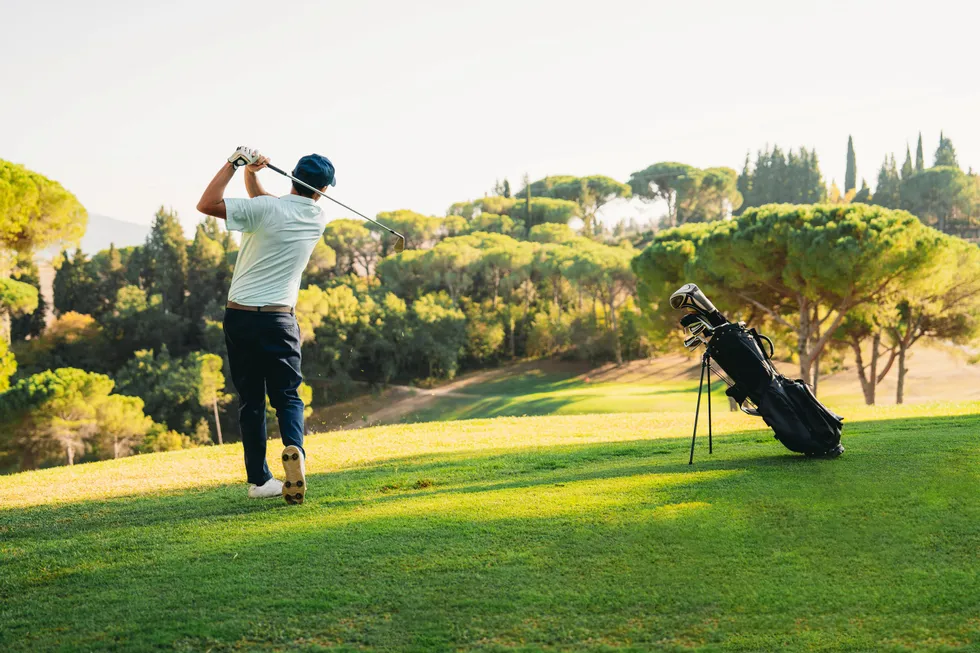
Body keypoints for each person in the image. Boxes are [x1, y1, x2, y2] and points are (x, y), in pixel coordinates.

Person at [197, 146, 336, 504]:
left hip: (240, 317)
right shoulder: (316, 219)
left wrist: (234, 164)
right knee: (288, 396)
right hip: (279, 319)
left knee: (251, 403)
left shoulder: (266, 211)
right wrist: (253, 174)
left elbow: (207, 204)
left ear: (291, 177)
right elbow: (268, 205)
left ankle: (260, 481)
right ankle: (295, 450)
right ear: (321, 191)